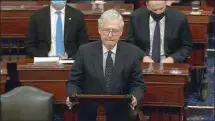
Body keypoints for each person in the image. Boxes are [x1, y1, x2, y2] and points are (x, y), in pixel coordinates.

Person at [66, 9, 145, 121]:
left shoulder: (132, 52)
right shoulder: (85, 51)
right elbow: (74, 81)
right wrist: (72, 95)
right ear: (99, 30)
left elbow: (138, 84)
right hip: (89, 113)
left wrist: (135, 97)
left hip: (120, 113)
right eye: (106, 30)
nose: (110, 35)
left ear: (122, 31)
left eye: (115, 31)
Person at [126, 0, 193, 63]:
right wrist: (143, 57)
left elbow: (187, 46)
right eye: (154, 10)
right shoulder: (136, 17)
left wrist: (172, 59)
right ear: (147, 5)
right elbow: (130, 43)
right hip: (144, 59)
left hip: (170, 60)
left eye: (161, 8)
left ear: (165, 3)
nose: (158, 12)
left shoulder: (179, 18)